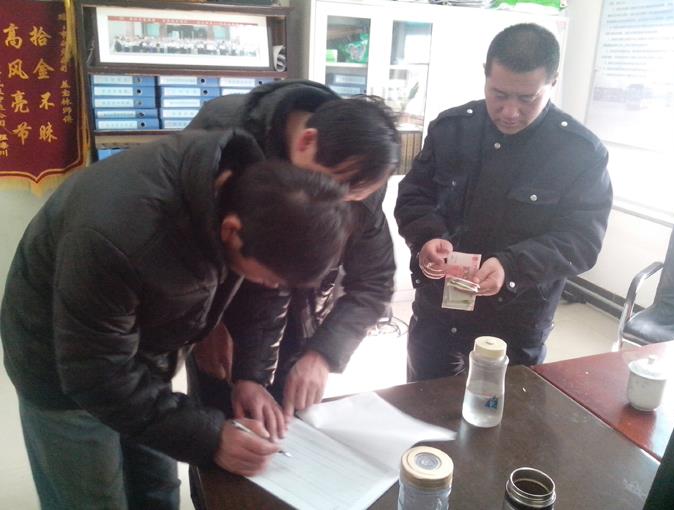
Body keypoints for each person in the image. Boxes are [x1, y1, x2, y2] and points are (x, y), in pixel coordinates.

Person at [0, 128, 352, 510]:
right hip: (59, 364)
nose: (273, 287)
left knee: (158, 488)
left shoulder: (254, 202)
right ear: (231, 231)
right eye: (270, 278)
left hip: (143, 354)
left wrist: (250, 376)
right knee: (95, 499)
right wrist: (212, 439)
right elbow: (97, 375)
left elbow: (261, 295)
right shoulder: (117, 234)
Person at [394, 23, 613, 382]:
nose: (510, 111)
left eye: (527, 98)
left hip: (514, 319)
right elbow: (414, 196)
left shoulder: (579, 153)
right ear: (486, 76)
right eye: (498, 94)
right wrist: (427, 238)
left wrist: (511, 266)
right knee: (422, 400)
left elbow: (582, 240)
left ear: (553, 83)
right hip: (439, 310)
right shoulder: (452, 129)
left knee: (503, 409)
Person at [185, 80, 400, 438]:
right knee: (219, 429)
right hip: (222, 315)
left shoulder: (357, 173)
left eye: (348, 202)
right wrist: (203, 325)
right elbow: (182, 248)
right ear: (305, 143)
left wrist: (322, 354)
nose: (331, 215)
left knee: (289, 432)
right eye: (329, 193)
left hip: (301, 317)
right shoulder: (222, 137)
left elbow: (374, 280)